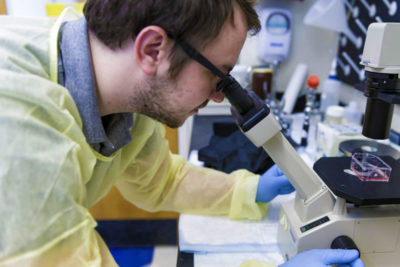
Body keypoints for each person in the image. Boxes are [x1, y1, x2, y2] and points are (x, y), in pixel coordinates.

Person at [0, 0, 364, 266]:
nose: (220, 94)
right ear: (153, 48)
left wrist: (251, 189)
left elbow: (161, 180)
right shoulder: (19, 117)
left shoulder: (126, 100)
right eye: (218, 74)